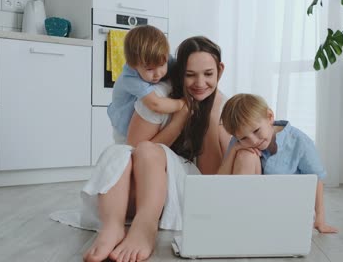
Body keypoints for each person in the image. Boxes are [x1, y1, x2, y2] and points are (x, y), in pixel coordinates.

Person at [82, 36, 231, 262]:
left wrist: (210, 115)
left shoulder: (224, 107)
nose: (200, 83)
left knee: (149, 150)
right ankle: (113, 227)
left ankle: (144, 228)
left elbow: (209, 179)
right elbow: (131, 153)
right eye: (190, 74)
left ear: (219, 71)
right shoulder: (158, 97)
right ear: (179, 72)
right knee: (120, 152)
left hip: (187, 191)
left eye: (208, 74)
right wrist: (179, 119)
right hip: (144, 187)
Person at [218, 93, 338, 234]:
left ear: (270, 117)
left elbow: (316, 179)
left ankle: (248, 220)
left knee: (246, 153)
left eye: (256, 131)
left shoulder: (299, 141)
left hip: (285, 205)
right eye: (244, 138)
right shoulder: (240, 142)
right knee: (246, 155)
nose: (253, 141)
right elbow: (220, 181)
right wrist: (235, 149)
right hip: (254, 203)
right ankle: (241, 216)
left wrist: (320, 218)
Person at [107, 25, 184, 143]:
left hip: (140, 121)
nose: (158, 73)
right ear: (133, 65)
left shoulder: (161, 57)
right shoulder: (130, 77)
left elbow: (180, 67)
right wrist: (181, 104)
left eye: (162, 65)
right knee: (127, 152)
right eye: (149, 69)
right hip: (123, 128)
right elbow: (155, 104)